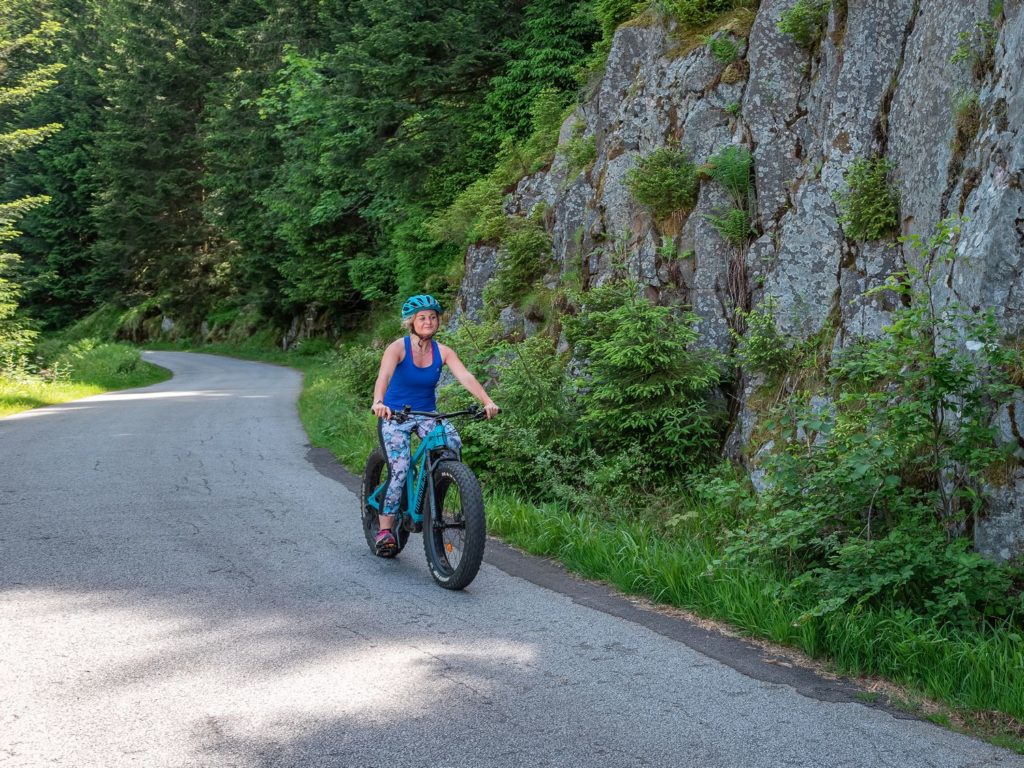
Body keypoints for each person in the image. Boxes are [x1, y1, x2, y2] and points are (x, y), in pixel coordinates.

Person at [370, 294, 499, 557]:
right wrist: (379, 401)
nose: (428, 321)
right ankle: (385, 529)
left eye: (432, 317)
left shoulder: (444, 351)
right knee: (401, 467)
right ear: (411, 322)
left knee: (452, 441)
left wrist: (487, 401)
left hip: (427, 414)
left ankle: (439, 489)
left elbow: (465, 376)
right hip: (395, 415)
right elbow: (384, 375)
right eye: (422, 318)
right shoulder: (398, 348)